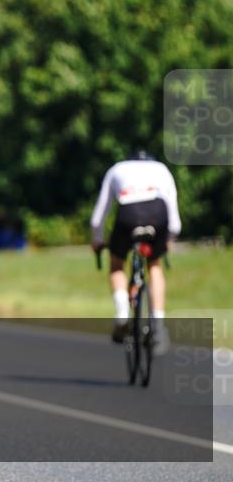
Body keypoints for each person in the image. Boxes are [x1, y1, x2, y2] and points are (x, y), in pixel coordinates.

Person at [90, 150, 181, 355]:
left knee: (117, 263)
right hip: (158, 212)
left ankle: (122, 313)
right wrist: (168, 240)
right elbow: (174, 220)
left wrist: (97, 239)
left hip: (128, 212)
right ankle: (158, 326)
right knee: (154, 265)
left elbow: (98, 217)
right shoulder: (161, 169)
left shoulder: (117, 169)